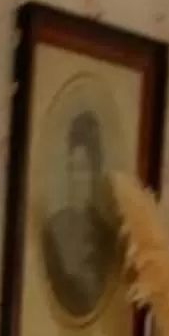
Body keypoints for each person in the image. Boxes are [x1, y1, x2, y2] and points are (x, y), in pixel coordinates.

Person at [40, 102, 118, 323]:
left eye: (83, 169)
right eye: (72, 168)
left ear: (95, 172)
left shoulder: (108, 237)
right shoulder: (53, 230)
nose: (76, 179)